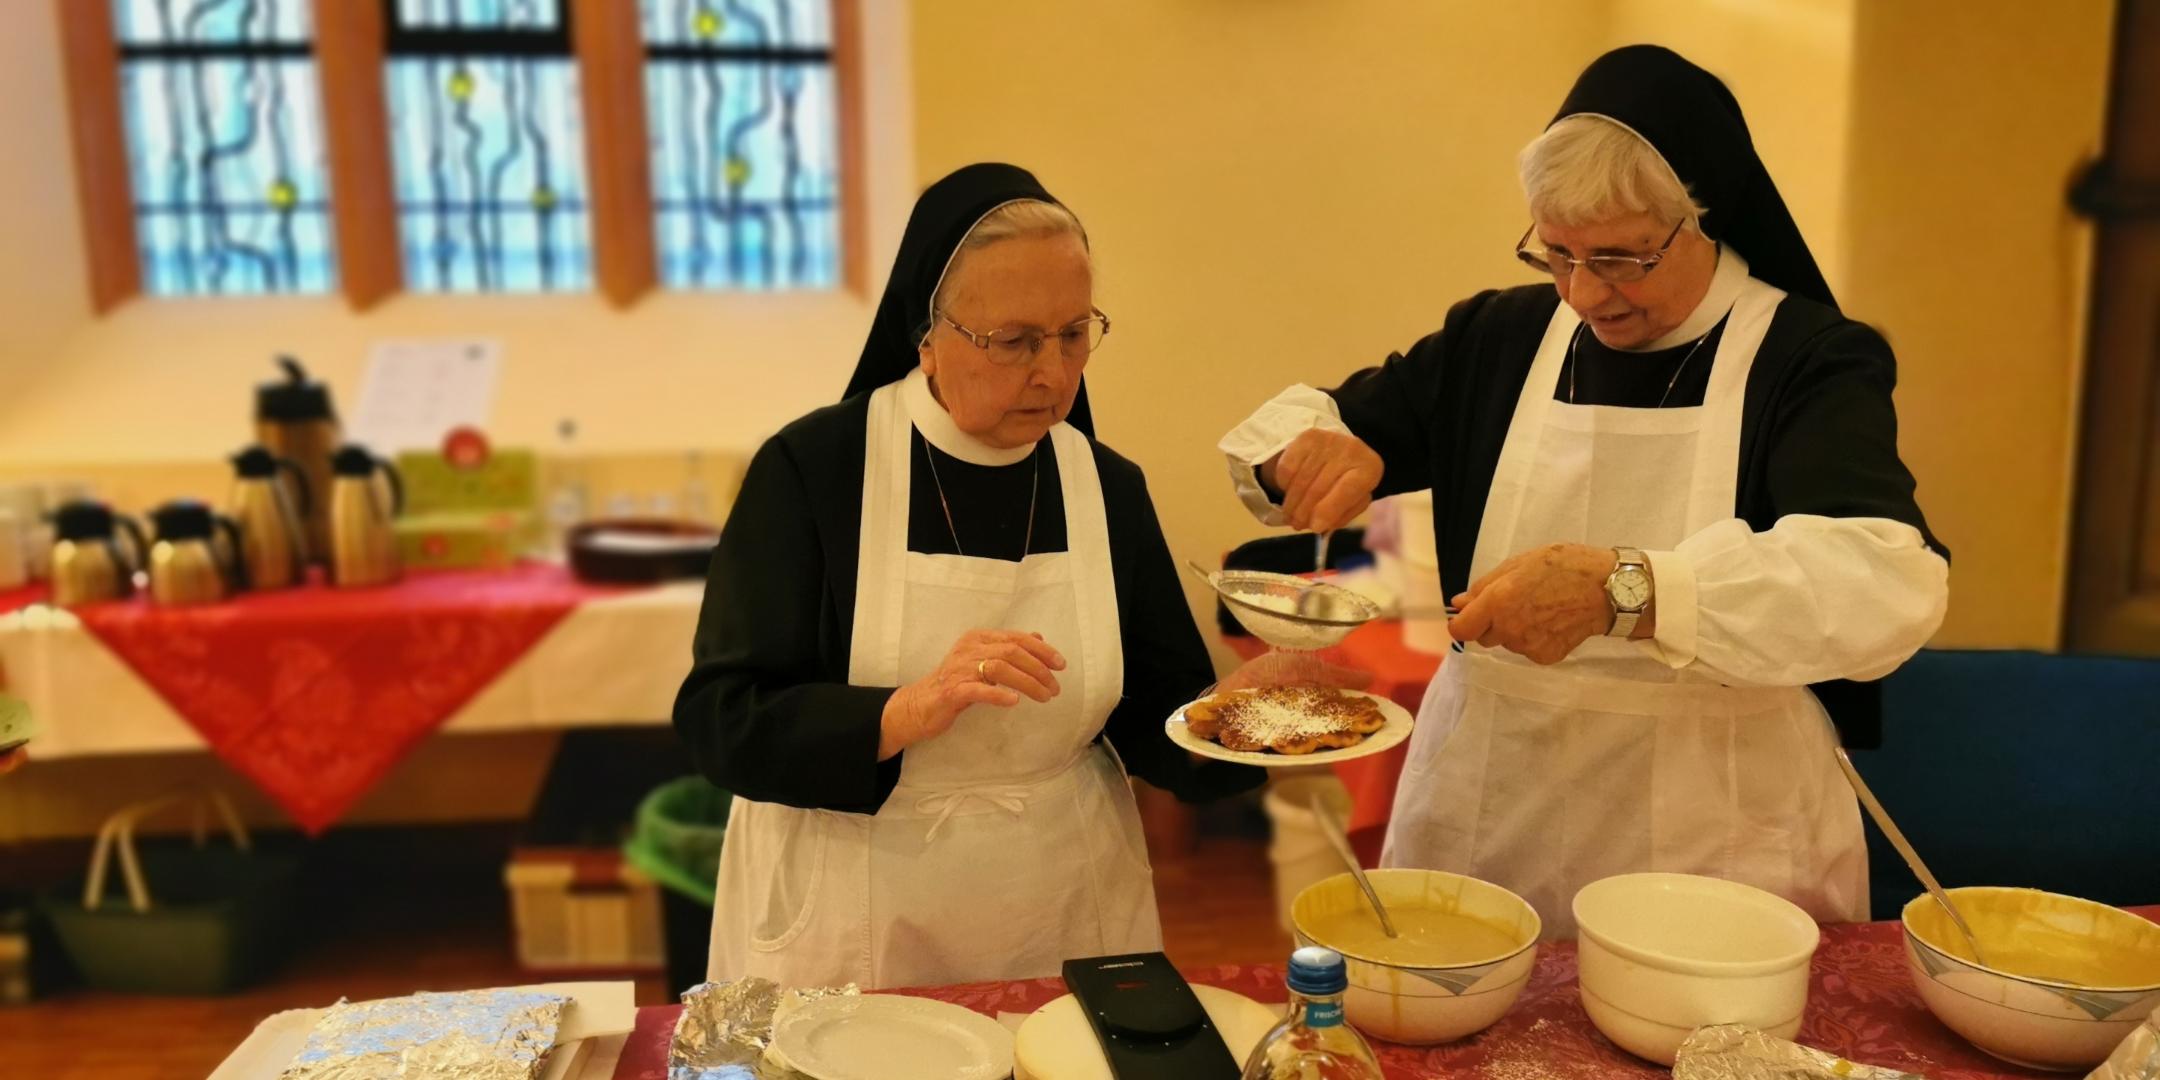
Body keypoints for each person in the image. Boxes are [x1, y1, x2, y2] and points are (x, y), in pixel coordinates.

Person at [1218, 47, 1949, 937]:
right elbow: (1294, 426)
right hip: (1494, 800)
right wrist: (1305, 452)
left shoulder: (1807, 358)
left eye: (1622, 258)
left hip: (1715, 818)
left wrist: (1624, 592)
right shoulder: (1503, 335)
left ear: (1703, 216)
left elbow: (1884, 582)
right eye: (1555, 254)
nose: (1585, 293)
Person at [676, 163, 1358, 988]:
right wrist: (901, 711)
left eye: (1074, 334)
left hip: (1057, 901)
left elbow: (1159, 721)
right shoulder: (813, 471)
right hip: (854, 906)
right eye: (1015, 342)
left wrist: (1252, 713)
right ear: (927, 334)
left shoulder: (1104, 487)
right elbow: (721, 718)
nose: (1053, 373)